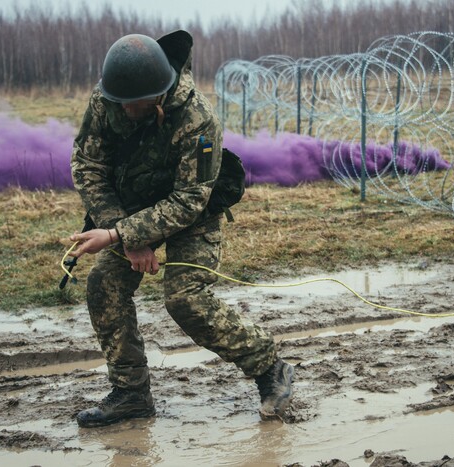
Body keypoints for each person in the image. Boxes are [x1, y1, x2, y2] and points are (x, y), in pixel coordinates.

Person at [67, 30, 294, 428]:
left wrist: (122, 235)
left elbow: (190, 199)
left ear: (158, 94)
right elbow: (88, 166)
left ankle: (269, 368)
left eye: (133, 104)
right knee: (103, 284)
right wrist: (123, 231)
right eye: (119, 102)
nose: (124, 110)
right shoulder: (107, 100)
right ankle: (131, 394)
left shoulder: (197, 120)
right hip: (130, 209)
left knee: (185, 298)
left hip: (193, 213)